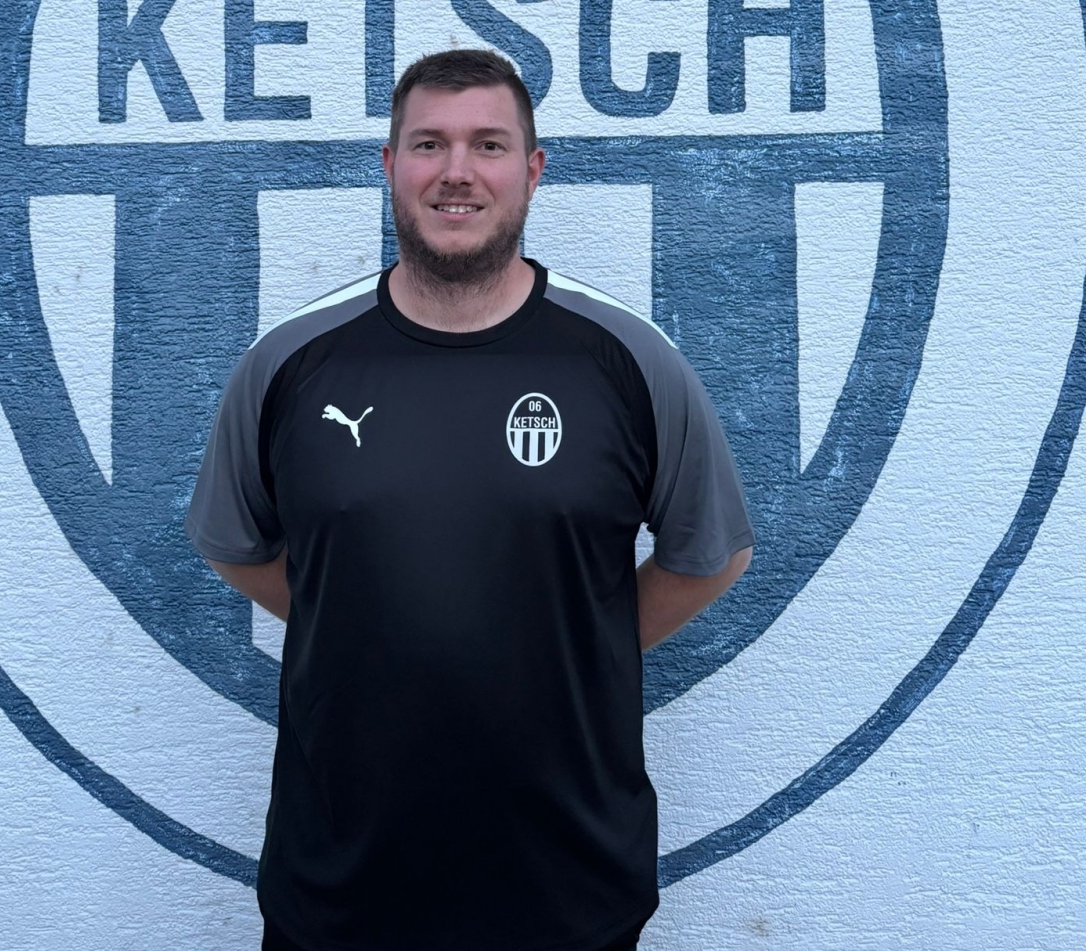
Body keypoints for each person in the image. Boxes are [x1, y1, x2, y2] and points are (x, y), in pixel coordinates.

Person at [186, 48, 754, 951]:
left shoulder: (631, 361)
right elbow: (236, 544)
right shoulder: (289, 362)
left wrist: (572, 637)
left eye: (489, 145)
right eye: (429, 145)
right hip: (339, 892)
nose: (457, 172)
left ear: (533, 169)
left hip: (566, 893)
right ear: (390, 165)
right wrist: (363, 618)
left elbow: (709, 556)